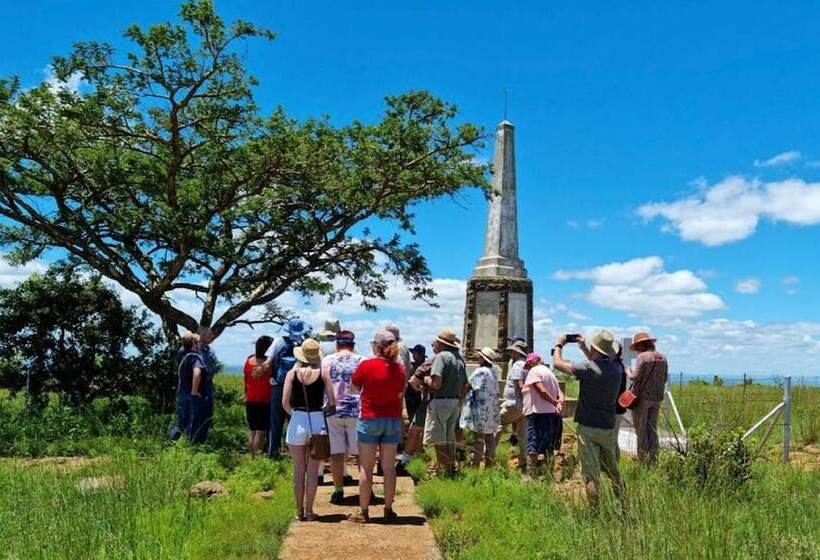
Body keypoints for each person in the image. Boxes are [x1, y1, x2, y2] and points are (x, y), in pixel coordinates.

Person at [552, 331, 626, 511]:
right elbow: (596, 364)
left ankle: (594, 514)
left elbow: (557, 364)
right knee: (613, 472)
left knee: (591, 475)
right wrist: (583, 346)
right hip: (608, 427)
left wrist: (559, 345)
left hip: (588, 427)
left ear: (594, 347)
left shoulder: (590, 368)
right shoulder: (617, 369)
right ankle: (624, 507)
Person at [350, 330, 406, 523]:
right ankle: (388, 509)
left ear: (378, 347)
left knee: (366, 468)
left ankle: (364, 511)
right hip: (392, 419)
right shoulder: (399, 369)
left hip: (369, 418)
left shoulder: (366, 365)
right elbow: (400, 393)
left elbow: (355, 386)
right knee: (389, 468)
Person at [282, 338, 336, 522]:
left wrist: (295, 415)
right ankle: (310, 510)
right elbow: (332, 402)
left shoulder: (292, 373)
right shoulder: (323, 373)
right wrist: (321, 413)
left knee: (298, 470)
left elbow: (284, 403)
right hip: (317, 420)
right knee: (313, 471)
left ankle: (299, 511)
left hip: (298, 419)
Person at [322, 329, 365, 504]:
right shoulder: (362, 361)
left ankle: (338, 490)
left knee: (337, 453)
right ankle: (365, 489)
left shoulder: (327, 360)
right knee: (362, 453)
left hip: (333, 410)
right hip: (357, 411)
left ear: (337, 344)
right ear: (353, 344)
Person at [258, 318, 307, 459]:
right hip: (298, 387)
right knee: (296, 420)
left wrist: (259, 372)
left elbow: (268, 363)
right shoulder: (304, 344)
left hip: (279, 386)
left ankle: (273, 452)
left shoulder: (279, 342)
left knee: (276, 421)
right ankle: (297, 454)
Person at [422, 329, 468, 475]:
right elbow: (466, 385)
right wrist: (459, 399)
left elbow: (436, 383)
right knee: (449, 439)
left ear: (442, 344)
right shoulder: (460, 359)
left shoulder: (441, 357)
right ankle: (450, 468)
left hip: (440, 402)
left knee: (439, 439)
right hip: (455, 403)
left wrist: (426, 379)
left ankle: (443, 471)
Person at [627, 332, 668, 466]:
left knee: (641, 429)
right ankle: (654, 459)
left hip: (642, 398)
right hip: (657, 397)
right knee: (652, 429)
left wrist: (629, 372)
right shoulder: (663, 357)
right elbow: (665, 378)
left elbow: (636, 377)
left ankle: (643, 460)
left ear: (639, 345)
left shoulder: (642, 357)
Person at [521, 353, 563, 479]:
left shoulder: (534, 371)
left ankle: (531, 476)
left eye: (529, 363)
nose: (528, 367)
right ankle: (548, 474)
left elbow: (541, 390)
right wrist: (558, 403)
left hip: (536, 413)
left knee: (532, 444)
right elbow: (561, 393)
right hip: (550, 413)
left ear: (536, 361)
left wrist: (553, 402)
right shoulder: (550, 373)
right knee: (548, 444)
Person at [459, 347, 500, 468]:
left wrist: (460, 398)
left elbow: (469, 385)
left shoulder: (480, 371)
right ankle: (489, 464)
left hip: (481, 409)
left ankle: (475, 465)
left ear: (483, 358)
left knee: (479, 439)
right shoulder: (493, 372)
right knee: (490, 438)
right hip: (491, 409)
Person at [496, 339, 529, 471]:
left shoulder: (517, 365)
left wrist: (520, 399)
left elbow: (519, 384)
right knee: (522, 434)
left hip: (514, 403)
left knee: (496, 424)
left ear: (516, 352)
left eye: (513, 351)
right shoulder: (527, 365)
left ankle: (487, 455)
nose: (511, 354)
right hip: (523, 405)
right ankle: (524, 461)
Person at [398, 355, 434, 472]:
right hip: (448, 403)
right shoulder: (457, 361)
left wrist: (420, 389)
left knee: (414, 430)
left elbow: (413, 380)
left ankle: (405, 460)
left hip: (427, 403)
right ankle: (422, 459)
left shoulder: (431, 361)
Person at [243, 335, 274, 457]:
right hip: (264, 400)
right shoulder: (267, 365)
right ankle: (256, 458)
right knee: (261, 432)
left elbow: (245, 380)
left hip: (250, 398)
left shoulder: (249, 361)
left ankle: (251, 455)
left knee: (252, 430)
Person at [186, 332, 213, 444]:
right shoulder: (196, 357)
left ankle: (190, 442)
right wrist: (194, 391)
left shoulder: (184, 354)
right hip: (200, 393)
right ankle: (196, 443)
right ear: (194, 343)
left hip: (186, 392)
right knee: (199, 419)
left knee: (189, 418)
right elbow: (197, 373)